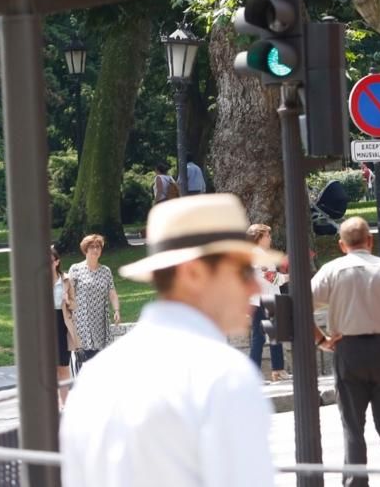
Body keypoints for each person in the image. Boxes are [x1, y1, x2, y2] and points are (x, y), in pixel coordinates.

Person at [61, 194, 280, 486]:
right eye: (240, 270)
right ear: (193, 273)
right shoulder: (223, 376)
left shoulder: (95, 379)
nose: (253, 283)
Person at [311, 216, 380, 487]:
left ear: (341, 245)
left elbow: (301, 305)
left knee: (353, 428)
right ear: (370, 241)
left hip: (349, 350)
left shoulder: (332, 270)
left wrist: (321, 340)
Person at [66, 234, 120, 368]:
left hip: (100, 322)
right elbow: (69, 293)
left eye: (98, 247)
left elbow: (112, 292)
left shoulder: (105, 271)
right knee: (84, 360)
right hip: (82, 321)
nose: (96, 250)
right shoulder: (76, 269)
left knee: (99, 361)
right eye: (92, 247)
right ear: (86, 249)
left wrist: (117, 310)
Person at [246, 224, 289, 382]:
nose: (270, 238)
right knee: (260, 337)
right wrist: (292, 274)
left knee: (274, 335)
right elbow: (272, 278)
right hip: (260, 301)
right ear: (259, 238)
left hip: (269, 298)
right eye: (267, 236)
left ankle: (278, 370)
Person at [51, 246, 78, 408]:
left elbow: (75, 305)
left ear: (57, 262)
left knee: (63, 365)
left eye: (51, 260)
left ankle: (66, 404)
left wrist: (68, 301)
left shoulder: (66, 280)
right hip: (46, 324)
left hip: (62, 323)